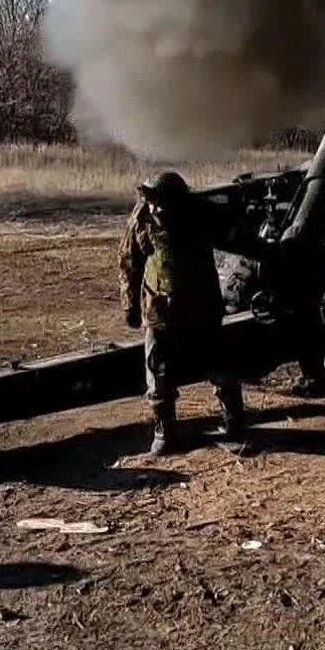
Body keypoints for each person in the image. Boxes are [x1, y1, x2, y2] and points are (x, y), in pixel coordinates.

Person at [119, 170, 245, 454]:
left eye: (161, 203)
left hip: (203, 306)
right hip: (160, 310)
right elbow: (129, 261)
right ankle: (164, 432)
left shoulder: (202, 214)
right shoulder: (144, 218)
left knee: (220, 364)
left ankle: (234, 419)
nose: (156, 208)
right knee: (157, 371)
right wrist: (129, 306)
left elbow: (234, 239)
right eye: (152, 202)